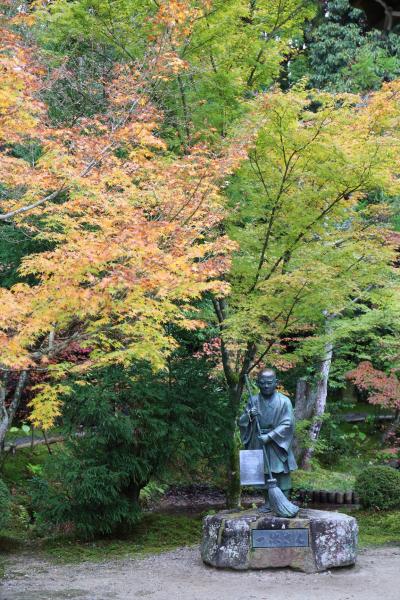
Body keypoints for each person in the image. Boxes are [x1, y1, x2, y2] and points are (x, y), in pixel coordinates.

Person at [239, 368, 297, 512]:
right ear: (258, 383)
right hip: (259, 439)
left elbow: (288, 424)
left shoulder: (284, 401)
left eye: (269, 383)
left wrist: (270, 436)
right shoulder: (253, 400)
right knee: (263, 473)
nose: (266, 386)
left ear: (276, 383)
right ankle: (268, 503)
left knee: (280, 473)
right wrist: (249, 415)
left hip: (277, 442)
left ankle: (283, 502)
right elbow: (242, 421)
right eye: (262, 383)